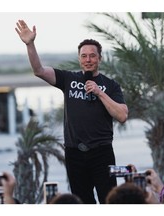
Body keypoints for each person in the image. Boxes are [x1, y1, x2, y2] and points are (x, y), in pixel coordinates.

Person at [15, 20, 128, 204]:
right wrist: (30, 44)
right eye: (84, 56)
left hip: (102, 153)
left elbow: (122, 115)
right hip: (75, 153)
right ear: (79, 59)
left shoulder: (110, 85)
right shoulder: (68, 79)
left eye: (92, 56)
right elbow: (39, 70)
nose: (88, 60)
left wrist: (100, 92)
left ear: (100, 58)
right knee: (81, 203)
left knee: (110, 201)